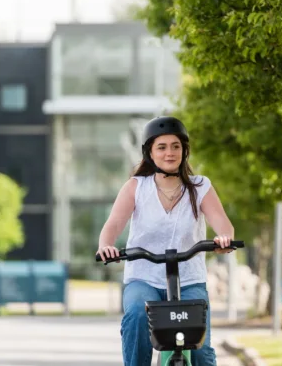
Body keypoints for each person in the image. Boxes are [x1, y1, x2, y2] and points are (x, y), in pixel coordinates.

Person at [96, 115, 235, 366]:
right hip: (143, 277)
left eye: (176, 146)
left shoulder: (200, 186)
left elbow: (223, 224)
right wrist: (106, 245)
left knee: (201, 351)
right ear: (150, 152)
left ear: (184, 151)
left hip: (190, 279)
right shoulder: (136, 187)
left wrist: (224, 238)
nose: (169, 153)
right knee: (137, 314)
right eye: (162, 147)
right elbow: (113, 225)